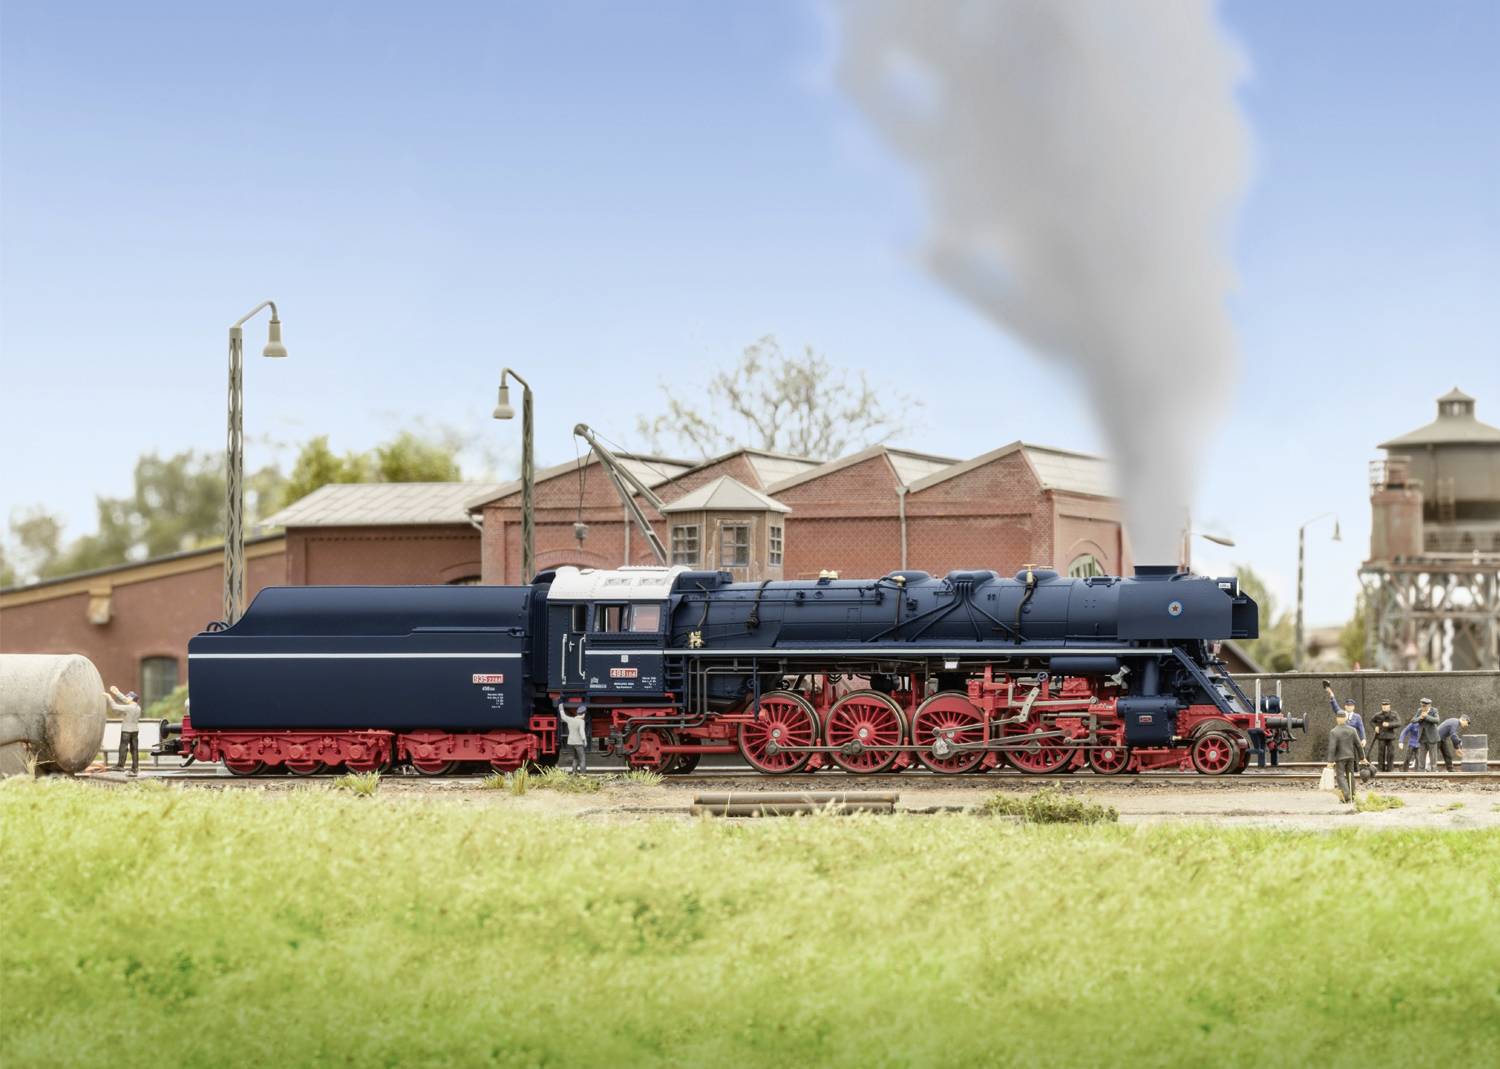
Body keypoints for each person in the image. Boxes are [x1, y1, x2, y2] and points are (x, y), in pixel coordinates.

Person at [1325, 709, 1365, 804]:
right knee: (1350, 775)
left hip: (1340, 758)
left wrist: (1330, 761)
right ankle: (1352, 796)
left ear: (1337, 719)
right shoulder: (1352, 730)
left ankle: (1346, 796)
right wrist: (1362, 757)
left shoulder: (1334, 732)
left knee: (1340, 776)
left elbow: (1332, 747)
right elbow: (1358, 745)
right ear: (1346, 718)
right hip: (1350, 756)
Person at [107, 685, 142, 776]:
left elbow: (114, 707)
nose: (126, 698)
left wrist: (109, 697)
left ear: (131, 698)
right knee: (134, 749)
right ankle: (135, 767)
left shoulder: (129, 708)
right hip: (135, 731)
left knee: (123, 748)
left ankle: (120, 765)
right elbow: (126, 700)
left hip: (126, 731)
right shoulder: (138, 708)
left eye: (128, 697)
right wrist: (117, 692)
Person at [1367, 700, 1401, 773]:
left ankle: (1390, 768)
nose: (1384, 707)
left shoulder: (1394, 714)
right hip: (1381, 736)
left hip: (1390, 736)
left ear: (1389, 706)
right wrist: (1375, 727)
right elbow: (1371, 721)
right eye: (1383, 706)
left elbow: (1398, 723)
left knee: (1390, 753)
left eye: (1386, 705)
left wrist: (1389, 724)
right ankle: (1380, 768)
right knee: (1381, 753)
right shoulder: (1378, 715)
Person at [557, 698, 589, 774]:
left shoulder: (570, 719)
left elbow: (563, 716)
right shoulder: (581, 721)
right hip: (579, 743)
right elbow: (582, 732)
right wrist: (585, 741)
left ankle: (574, 773)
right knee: (582, 759)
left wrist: (561, 708)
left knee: (575, 758)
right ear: (583, 714)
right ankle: (583, 774)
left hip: (571, 742)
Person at [1415, 698, 1442, 773]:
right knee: (1421, 757)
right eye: (1422, 706)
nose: (1423, 708)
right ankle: (1421, 772)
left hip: (1432, 737)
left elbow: (1437, 720)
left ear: (1429, 705)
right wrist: (1420, 717)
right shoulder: (1419, 710)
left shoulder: (1434, 711)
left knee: (1433, 757)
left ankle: (1433, 771)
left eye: (1424, 706)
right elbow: (1413, 720)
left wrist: (1426, 716)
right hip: (1422, 738)